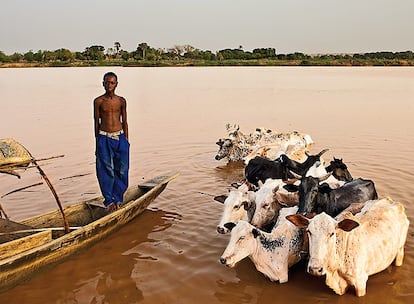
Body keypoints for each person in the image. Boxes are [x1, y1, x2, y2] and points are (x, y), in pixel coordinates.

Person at [94, 72, 130, 212]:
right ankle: (109, 201)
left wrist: (126, 141)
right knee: (105, 170)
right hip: (104, 138)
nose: (109, 85)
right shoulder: (99, 101)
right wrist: (97, 142)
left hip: (120, 138)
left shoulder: (121, 101)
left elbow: (125, 121)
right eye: (107, 82)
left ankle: (118, 199)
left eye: (112, 83)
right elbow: (96, 122)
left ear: (116, 84)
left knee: (122, 169)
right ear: (103, 83)